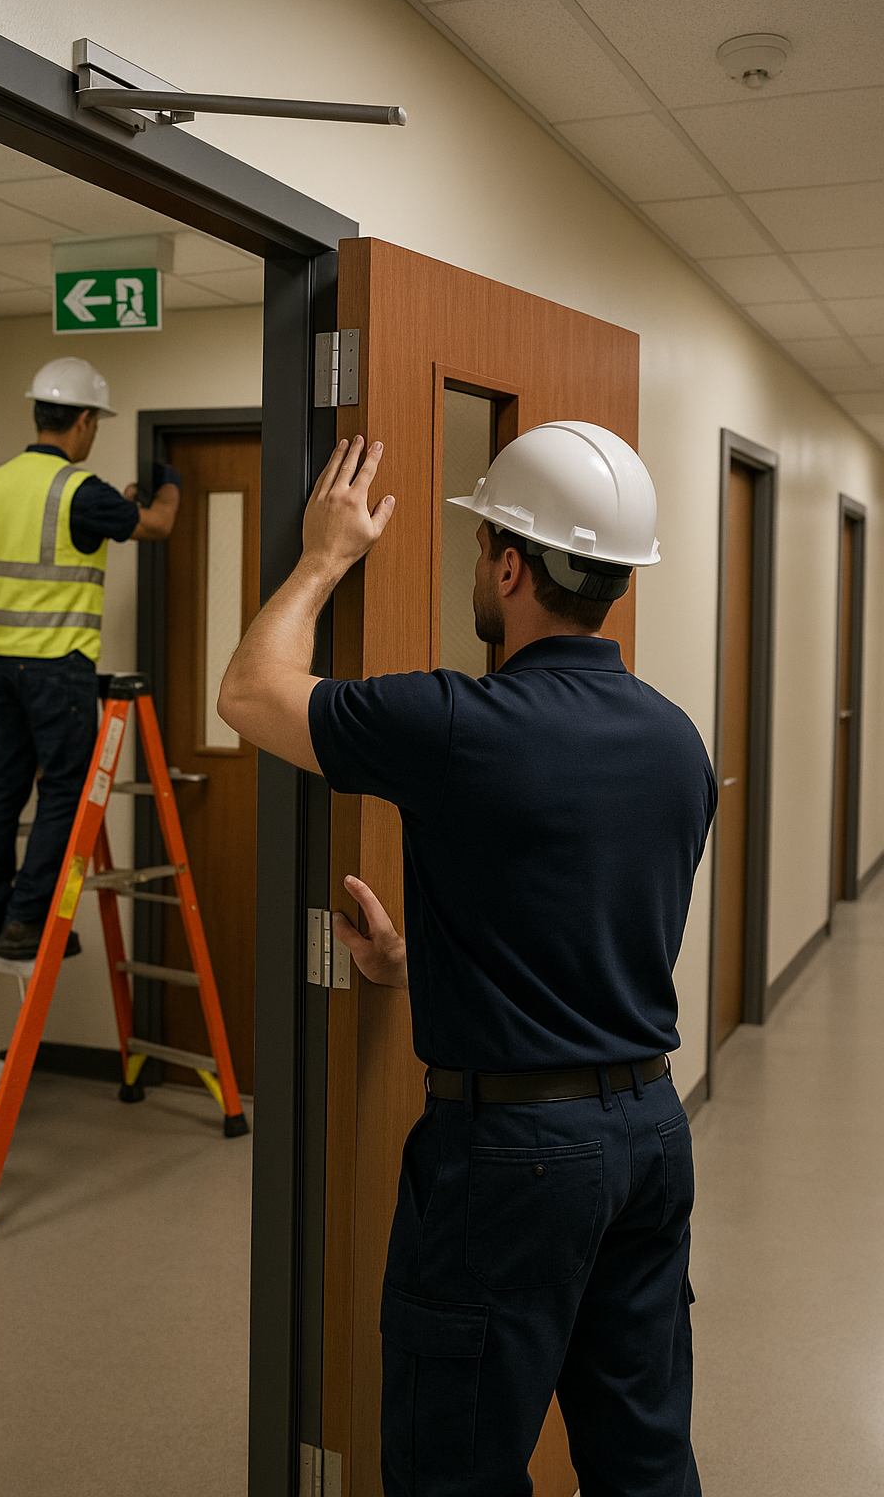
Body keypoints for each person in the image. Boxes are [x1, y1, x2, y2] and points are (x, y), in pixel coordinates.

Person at [217, 424, 716, 1497]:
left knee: (457, 1467)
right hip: (647, 1136)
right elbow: (582, 930)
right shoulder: (678, 743)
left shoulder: (459, 723)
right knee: (641, 1454)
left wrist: (324, 557)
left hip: (515, 1158)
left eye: (484, 544)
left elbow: (253, 694)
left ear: (509, 564)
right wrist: (411, 963)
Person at [0, 356, 181, 961]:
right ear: (84, 420)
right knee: (64, 790)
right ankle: (26, 925)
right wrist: (170, 486)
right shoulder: (78, 491)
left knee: (2, 788)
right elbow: (158, 526)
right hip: (58, 668)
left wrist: (123, 503)